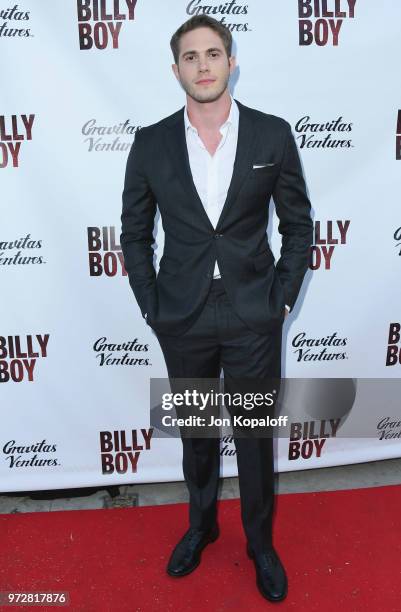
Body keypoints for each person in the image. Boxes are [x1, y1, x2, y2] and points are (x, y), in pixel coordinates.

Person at [121, 15, 313, 603]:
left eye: (212, 54)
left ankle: (260, 545)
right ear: (175, 69)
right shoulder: (151, 141)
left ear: (232, 62)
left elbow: (299, 225)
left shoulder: (271, 135)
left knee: (254, 435)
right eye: (190, 57)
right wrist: (153, 305)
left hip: (253, 311)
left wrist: (279, 298)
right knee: (198, 433)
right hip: (183, 315)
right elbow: (133, 232)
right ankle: (200, 526)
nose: (203, 65)